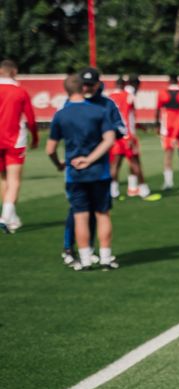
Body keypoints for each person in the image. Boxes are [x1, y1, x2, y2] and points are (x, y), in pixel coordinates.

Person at [46, 74, 118, 271]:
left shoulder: (61, 115)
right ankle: (105, 257)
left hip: (74, 172)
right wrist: (91, 159)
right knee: (102, 214)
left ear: (66, 90)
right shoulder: (99, 111)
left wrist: (59, 164)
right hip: (99, 171)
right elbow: (109, 139)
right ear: (85, 88)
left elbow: (50, 149)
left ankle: (85, 259)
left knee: (80, 216)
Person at [59, 67, 127, 267]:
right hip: (77, 167)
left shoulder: (106, 104)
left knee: (98, 211)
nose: (87, 87)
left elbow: (120, 129)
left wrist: (104, 130)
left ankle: (90, 251)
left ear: (98, 84)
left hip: (99, 166)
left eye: (91, 84)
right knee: (77, 210)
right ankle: (69, 248)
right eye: (84, 84)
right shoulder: (72, 103)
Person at [0, 59, 39, 233]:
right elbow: (30, 118)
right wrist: (35, 137)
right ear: (14, 72)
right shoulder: (20, 92)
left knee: (3, 178)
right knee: (14, 180)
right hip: (14, 139)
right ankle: (5, 217)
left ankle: (12, 218)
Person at [107, 76, 157, 201]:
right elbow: (125, 116)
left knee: (115, 164)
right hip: (127, 135)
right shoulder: (128, 96)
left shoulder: (109, 98)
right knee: (135, 163)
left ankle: (113, 192)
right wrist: (129, 135)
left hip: (115, 135)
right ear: (124, 85)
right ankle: (143, 190)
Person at [155, 74, 179, 192]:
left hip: (167, 128)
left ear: (169, 81)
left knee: (168, 155)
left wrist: (157, 125)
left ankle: (168, 182)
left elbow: (157, 109)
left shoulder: (162, 93)